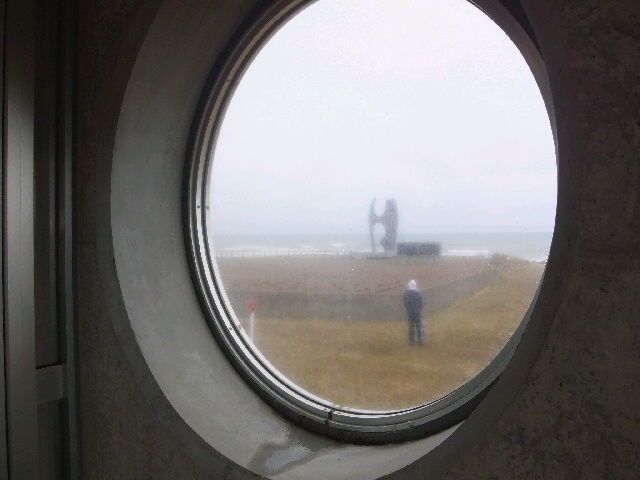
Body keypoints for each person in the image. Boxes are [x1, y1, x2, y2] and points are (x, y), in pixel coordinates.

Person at [403, 280, 425, 345]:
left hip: (410, 313)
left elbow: (405, 303)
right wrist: (418, 310)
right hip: (417, 313)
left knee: (411, 326)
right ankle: (420, 340)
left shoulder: (406, 294)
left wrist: (409, 310)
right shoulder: (418, 293)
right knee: (418, 326)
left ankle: (411, 341)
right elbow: (421, 303)